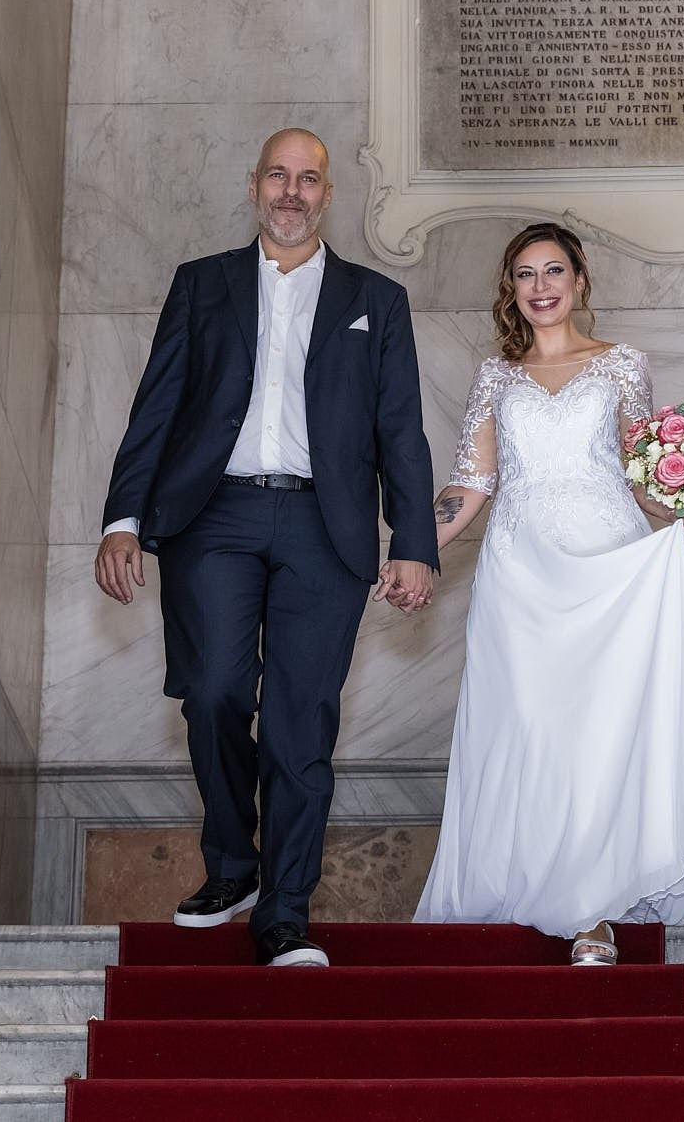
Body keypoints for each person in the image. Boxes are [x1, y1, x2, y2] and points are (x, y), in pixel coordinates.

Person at [94, 128, 438, 969]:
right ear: (254, 187)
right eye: (278, 176)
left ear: (328, 195)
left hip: (328, 530)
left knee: (299, 726)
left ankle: (283, 911)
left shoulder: (376, 300)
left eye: (308, 178)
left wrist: (415, 541)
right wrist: (122, 518)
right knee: (211, 692)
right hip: (215, 517)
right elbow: (156, 406)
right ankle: (234, 863)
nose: (292, 191)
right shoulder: (201, 284)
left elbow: (401, 429)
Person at [412, 222, 684, 963]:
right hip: (520, 575)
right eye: (525, 274)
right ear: (512, 289)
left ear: (580, 279)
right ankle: (526, 884)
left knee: (597, 741)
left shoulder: (623, 366)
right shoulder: (496, 376)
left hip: (609, 569)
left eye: (553, 270)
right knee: (530, 728)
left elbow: (639, 470)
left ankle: (591, 911)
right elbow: (471, 484)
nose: (540, 286)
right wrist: (406, 547)